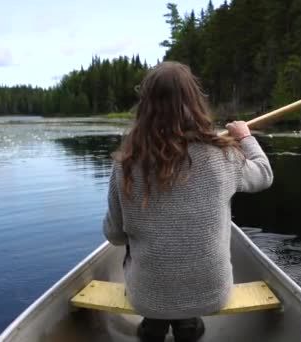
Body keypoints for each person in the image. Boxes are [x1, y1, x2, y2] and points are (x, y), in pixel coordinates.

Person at [103, 61, 273, 342]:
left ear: (144, 108)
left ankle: (156, 324)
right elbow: (264, 174)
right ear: (195, 103)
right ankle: (187, 324)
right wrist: (245, 137)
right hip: (212, 295)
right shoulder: (224, 156)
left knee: (137, 260)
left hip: (146, 297)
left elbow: (115, 236)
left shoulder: (125, 165)